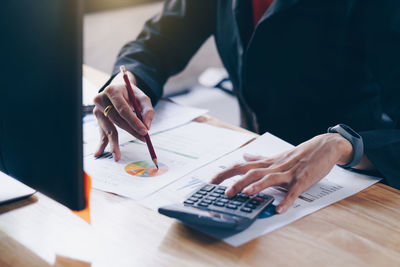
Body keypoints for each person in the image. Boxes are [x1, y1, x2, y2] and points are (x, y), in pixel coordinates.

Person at [93, 0, 400, 214]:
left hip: (355, 183)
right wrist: (129, 80)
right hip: (255, 175)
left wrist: (343, 144)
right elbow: (158, 42)